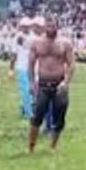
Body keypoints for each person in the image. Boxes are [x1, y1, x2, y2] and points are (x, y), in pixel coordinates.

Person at [28, 17, 75, 153]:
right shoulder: (37, 42)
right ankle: (31, 147)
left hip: (59, 84)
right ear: (44, 27)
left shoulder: (65, 43)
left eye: (53, 26)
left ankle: (53, 147)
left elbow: (71, 64)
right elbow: (30, 65)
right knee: (37, 116)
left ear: (57, 27)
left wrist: (66, 82)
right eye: (48, 26)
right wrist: (31, 83)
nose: (50, 29)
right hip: (42, 84)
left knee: (59, 118)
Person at [10, 18, 35, 120]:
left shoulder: (34, 37)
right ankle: (29, 113)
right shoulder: (17, 38)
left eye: (28, 26)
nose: (26, 28)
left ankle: (25, 108)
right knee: (25, 90)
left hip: (33, 67)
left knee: (32, 90)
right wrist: (11, 68)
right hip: (21, 67)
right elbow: (14, 54)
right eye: (24, 26)